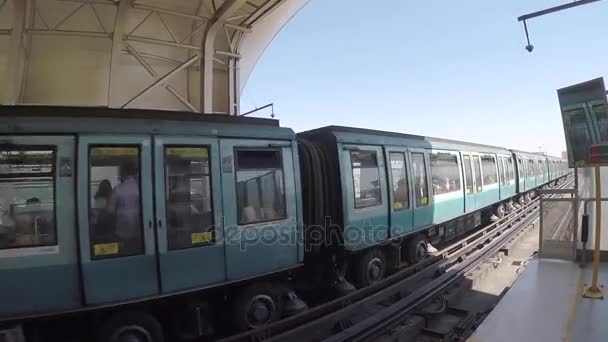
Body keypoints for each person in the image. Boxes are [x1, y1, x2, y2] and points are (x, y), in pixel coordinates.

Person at [106, 161, 142, 255]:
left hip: (122, 232)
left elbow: (110, 211)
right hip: (140, 232)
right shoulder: (141, 188)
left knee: (125, 254)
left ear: (123, 173)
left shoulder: (118, 189)